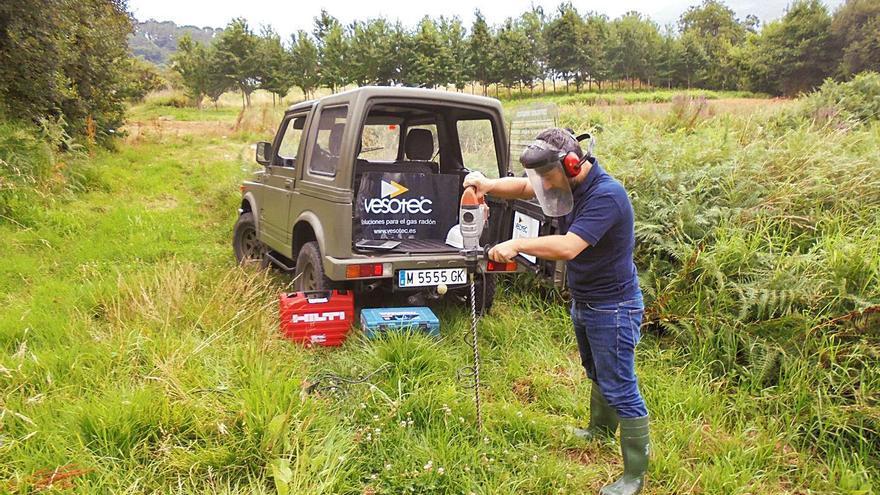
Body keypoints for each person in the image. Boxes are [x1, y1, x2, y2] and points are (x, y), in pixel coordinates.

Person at [464, 128, 649, 495]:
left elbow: (568, 246)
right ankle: (598, 430)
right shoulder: (563, 182)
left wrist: (517, 244)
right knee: (595, 371)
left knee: (620, 385)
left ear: (571, 164)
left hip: (614, 307)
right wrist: (486, 184)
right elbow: (522, 189)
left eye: (547, 177)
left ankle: (634, 477)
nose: (543, 186)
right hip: (587, 300)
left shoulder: (606, 196)